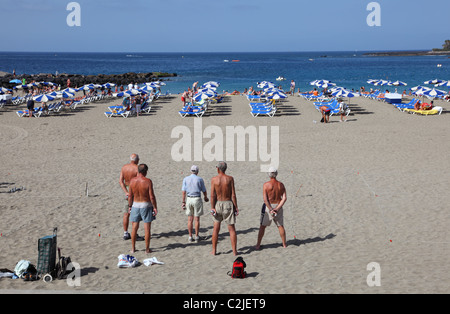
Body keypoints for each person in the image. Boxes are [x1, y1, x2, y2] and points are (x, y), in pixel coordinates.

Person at [210, 161, 239, 256]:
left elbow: (212, 195)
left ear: (218, 169)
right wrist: (236, 207)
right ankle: (234, 251)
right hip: (228, 203)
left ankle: (214, 250)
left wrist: (212, 207)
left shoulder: (214, 179)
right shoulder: (230, 179)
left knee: (216, 229)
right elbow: (233, 195)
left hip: (218, 203)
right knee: (231, 229)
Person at [128, 164, 158, 254]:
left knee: (134, 228)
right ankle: (147, 249)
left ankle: (133, 248)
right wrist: (155, 207)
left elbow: (130, 196)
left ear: (138, 171)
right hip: (146, 205)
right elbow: (151, 196)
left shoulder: (132, 181)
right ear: (145, 171)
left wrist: (130, 206)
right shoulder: (148, 181)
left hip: (135, 205)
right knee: (147, 228)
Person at [256, 167, 287, 250]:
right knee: (280, 226)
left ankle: (258, 245)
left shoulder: (266, 185)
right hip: (278, 205)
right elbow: (284, 198)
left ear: (269, 174)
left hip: (269, 206)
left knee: (262, 226)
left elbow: (265, 199)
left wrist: (270, 209)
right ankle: (284, 244)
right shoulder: (281, 184)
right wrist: (277, 208)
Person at [181, 165, 209, 242]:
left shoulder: (186, 179)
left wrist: (183, 201)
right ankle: (196, 236)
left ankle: (190, 236)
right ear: (197, 171)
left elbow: (184, 192)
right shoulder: (200, 179)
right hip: (197, 198)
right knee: (197, 219)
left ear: (191, 171)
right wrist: (205, 197)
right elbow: (204, 190)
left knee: (190, 219)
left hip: (189, 198)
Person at [119, 154, 140, 240]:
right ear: (137, 160)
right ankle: (134, 233)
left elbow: (120, 181)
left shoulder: (124, 167)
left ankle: (125, 233)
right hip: (135, 189)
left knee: (126, 213)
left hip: (127, 189)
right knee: (135, 213)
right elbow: (139, 180)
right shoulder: (137, 168)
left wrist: (126, 192)